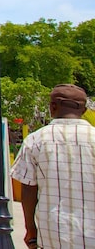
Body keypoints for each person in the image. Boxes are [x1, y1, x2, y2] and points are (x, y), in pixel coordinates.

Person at [10, 83, 95, 249]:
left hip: (52, 235)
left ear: (53, 107)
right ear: (84, 111)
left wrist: (30, 230)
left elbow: (28, 189)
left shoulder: (35, 140)